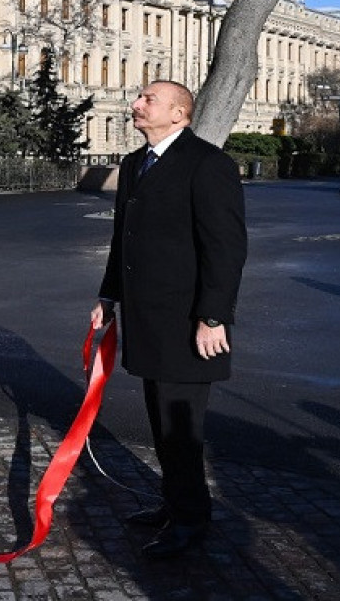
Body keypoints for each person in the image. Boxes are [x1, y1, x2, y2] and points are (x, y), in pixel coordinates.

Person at [90, 81, 247, 560]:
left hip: (188, 322)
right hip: (148, 319)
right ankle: (174, 504)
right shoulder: (137, 163)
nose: (136, 104)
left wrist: (213, 316)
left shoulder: (208, 164)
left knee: (181, 430)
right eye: (138, 98)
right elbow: (126, 238)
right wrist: (109, 294)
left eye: (148, 100)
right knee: (161, 423)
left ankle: (191, 520)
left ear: (179, 113)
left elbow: (225, 248)